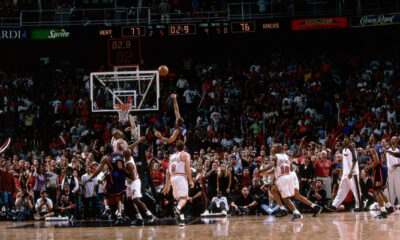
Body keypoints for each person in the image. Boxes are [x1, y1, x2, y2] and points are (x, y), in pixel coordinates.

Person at [261, 144, 322, 222]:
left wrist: (261, 171)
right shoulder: (286, 156)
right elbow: (290, 168)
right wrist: (266, 173)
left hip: (286, 177)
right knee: (279, 191)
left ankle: (295, 213)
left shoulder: (274, 157)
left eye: (272, 147)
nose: (271, 148)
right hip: (292, 175)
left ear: (276, 149)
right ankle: (315, 206)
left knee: (286, 198)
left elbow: (273, 169)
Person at [87, 143, 126, 224]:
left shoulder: (106, 158)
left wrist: (90, 178)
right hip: (122, 176)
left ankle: (107, 207)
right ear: (112, 148)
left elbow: (98, 170)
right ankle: (119, 214)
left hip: (114, 176)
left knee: (106, 194)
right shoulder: (120, 154)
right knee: (119, 196)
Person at [162, 140, 194, 226]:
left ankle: (182, 220)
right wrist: (190, 180)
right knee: (184, 199)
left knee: (179, 199)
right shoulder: (185, 155)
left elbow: (167, 172)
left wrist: (167, 185)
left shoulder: (172, 156)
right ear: (184, 147)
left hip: (173, 178)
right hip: (180, 177)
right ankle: (178, 208)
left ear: (176, 148)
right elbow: (187, 168)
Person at [326, 138, 362, 212]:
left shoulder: (352, 149)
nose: (345, 141)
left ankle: (359, 206)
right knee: (341, 190)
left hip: (353, 173)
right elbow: (344, 163)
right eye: (344, 140)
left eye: (346, 140)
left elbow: (354, 160)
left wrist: (351, 172)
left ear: (349, 141)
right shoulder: (343, 150)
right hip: (345, 173)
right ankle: (334, 205)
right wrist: (342, 172)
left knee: (356, 190)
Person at [123, 147, 156, 225]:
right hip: (129, 183)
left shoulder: (130, 164)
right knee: (130, 200)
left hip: (134, 182)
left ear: (127, 154)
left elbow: (133, 177)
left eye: (124, 153)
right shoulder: (127, 158)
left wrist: (123, 171)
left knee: (137, 200)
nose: (122, 153)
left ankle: (150, 216)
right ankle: (139, 218)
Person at [364, 134, 394, 218]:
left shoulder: (373, 149)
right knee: (380, 190)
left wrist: (368, 167)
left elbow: (376, 161)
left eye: (371, 136)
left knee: (376, 191)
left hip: (379, 170)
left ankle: (383, 211)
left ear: (374, 138)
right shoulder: (380, 146)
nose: (369, 137)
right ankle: (389, 206)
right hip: (384, 168)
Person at [386, 136, 400, 207]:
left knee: (398, 187)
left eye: (393, 139)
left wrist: (396, 165)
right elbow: (387, 161)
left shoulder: (398, 150)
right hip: (390, 170)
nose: (392, 140)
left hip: (397, 171)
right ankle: (391, 204)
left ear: (397, 140)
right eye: (391, 139)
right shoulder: (388, 150)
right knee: (391, 189)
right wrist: (390, 168)